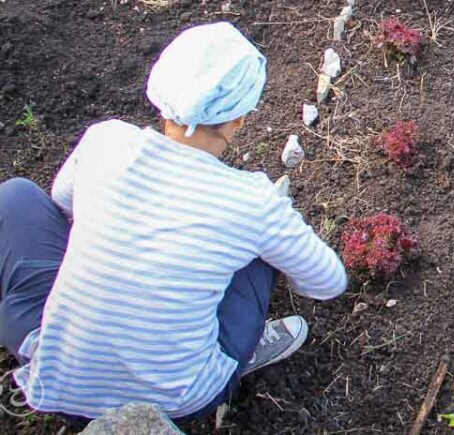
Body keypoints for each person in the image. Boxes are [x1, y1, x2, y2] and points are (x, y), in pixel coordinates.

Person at [0, 22, 347, 422]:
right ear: (239, 119)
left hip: (60, 386)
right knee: (262, 257)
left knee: (15, 197)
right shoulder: (251, 201)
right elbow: (328, 281)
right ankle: (235, 359)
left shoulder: (105, 141)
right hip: (175, 404)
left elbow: (61, 207)